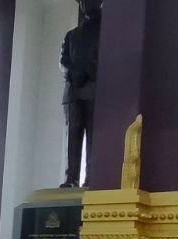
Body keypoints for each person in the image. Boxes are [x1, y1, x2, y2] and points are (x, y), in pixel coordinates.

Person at [59, 0, 102, 188]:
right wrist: (72, 73)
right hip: (74, 92)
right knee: (73, 135)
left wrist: (87, 71)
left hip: (95, 89)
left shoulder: (108, 30)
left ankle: (91, 177)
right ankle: (71, 178)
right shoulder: (71, 35)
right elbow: (63, 62)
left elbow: (109, 57)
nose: (85, 3)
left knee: (94, 135)